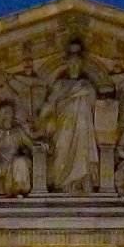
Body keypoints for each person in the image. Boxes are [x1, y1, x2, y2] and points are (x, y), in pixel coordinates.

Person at [38, 41, 100, 193]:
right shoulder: (60, 84)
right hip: (63, 125)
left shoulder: (86, 85)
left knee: (82, 153)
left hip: (82, 127)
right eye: (72, 62)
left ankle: (80, 183)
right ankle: (61, 184)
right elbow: (50, 103)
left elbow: (96, 106)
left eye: (77, 63)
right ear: (67, 64)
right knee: (61, 149)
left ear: (81, 65)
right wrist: (41, 119)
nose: (74, 65)